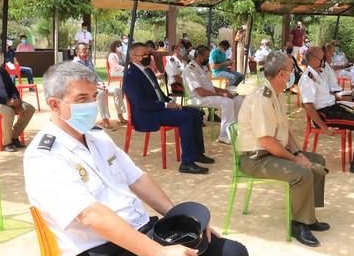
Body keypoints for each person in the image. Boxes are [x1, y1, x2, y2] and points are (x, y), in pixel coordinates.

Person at [24, 62, 275, 256]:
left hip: (141, 233)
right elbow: (90, 216)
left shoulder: (97, 138)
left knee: (233, 254)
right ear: (55, 105)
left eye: (94, 96)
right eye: (82, 99)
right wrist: (160, 254)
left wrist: (185, 221)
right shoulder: (44, 157)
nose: (91, 104)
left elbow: (138, 179)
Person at [237, 51, 330, 247]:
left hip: (270, 153)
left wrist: (298, 153)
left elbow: (284, 133)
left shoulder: (277, 94)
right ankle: (298, 224)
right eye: (290, 70)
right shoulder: (263, 97)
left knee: (317, 161)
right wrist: (296, 161)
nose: (293, 74)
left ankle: (308, 216)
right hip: (255, 159)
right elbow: (267, 141)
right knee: (301, 172)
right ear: (281, 74)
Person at [124, 42, 213, 174]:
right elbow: (141, 103)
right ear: (134, 57)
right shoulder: (131, 75)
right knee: (185, 117)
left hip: (159, 108)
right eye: (145, 55)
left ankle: (197, 153)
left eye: (149, 54)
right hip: (146, 115)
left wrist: (171, 102)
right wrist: (166, 105)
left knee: (195, 112)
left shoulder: (147, 70)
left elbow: (159, 94)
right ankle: (187, 163)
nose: (148, 57)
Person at [300, 46, 354, 176]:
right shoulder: (307, 78)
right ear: (315, 60)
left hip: (332, 106)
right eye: (322, 58)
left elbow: (325, 96)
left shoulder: (318, 73)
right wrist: (325, 128)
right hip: (324, 115)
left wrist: (339, 98)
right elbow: (308, 106)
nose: (325, 60)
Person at [184, 45, 244, 145]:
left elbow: (211, 87)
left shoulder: (203, 68)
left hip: (208, 95)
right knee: (227, 102)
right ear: (198, 56)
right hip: (198, 98)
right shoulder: (190, 70)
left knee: (238, 99)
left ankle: (233, 130)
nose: (207, 59)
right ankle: (224, 135)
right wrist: (222, 95)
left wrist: (225, 91)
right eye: (206, 57)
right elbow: (201, 92)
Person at [75, 42, 126, 127]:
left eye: (87, 49)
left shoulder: (89, 61)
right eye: (84, 50)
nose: (86, 52)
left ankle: (120, 116)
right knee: (101, 93)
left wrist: (102, 83)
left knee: (118, 90)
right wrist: (98, 87)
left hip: (98, 85)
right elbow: (82, 80)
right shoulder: (76, 64)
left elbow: (95, 75)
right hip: (86, 88)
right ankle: (105, 119)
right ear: (77, 52)